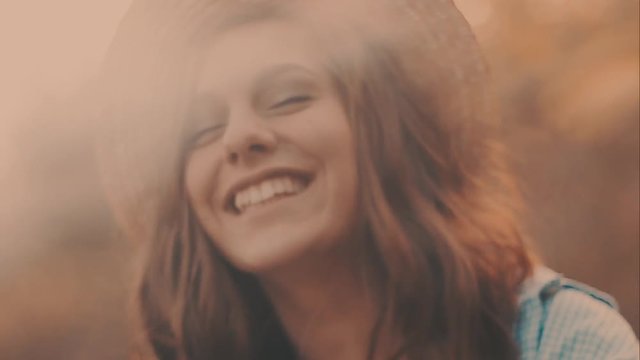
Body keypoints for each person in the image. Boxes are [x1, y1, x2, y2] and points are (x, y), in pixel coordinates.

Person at [95, 0, 639, 359]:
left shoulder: (562, 344)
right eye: (203, 129)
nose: (239, 137)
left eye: (287, 97)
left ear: (380, 134)